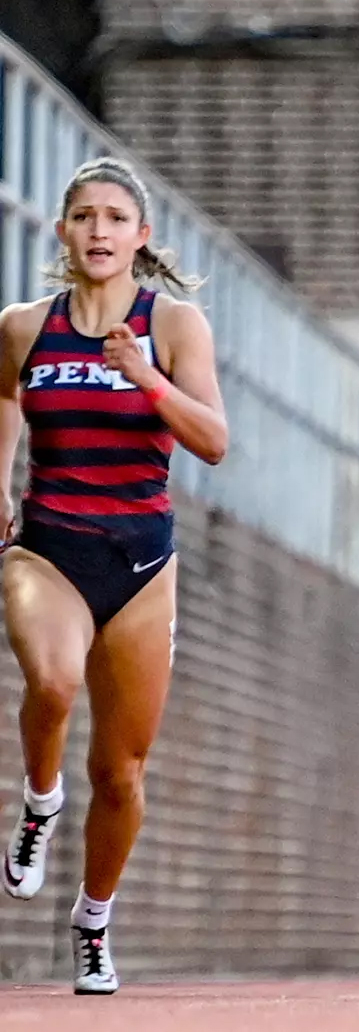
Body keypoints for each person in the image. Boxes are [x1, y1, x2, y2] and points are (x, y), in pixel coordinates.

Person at [0, 157, 230, 994]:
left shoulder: (173, 326)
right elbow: (2, 397)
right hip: (48, 545)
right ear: (62, 231)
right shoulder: (26, 327)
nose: (99, 231)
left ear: (141, 237)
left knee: (123, 773)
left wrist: (147, 378)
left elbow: (213, 440)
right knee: (52, 683)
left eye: (114, 218)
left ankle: (93, 920)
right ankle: (38, 800)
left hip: (140, 560)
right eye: (84, 216)